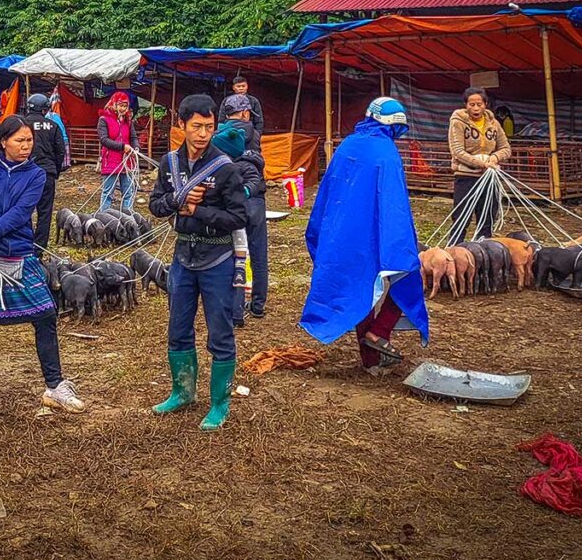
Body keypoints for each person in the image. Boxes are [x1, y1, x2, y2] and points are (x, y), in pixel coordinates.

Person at [0, 115, 85, 418]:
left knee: (46, 314)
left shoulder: (36, 175)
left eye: (29, 141)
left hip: (19, 252)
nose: (26, 146)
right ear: (3, 142)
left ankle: (54, 386)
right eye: (19, 141)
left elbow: (20, 212)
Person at [299, 97, 429, 376]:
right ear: (394, 128)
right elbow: (394, 205)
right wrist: (398, 241)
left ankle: (370, 361)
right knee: (407, 275)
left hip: (341, 235)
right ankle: (379, 332)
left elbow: (328, 192)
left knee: (360, 288)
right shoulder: (387, 153)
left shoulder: (347, 146)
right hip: (375, 234)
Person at [149, 94, 247, 431]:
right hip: (183, 256)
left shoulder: (225, 168)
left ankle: (220, 403)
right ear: (181, 125)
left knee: (220, 333)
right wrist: (178, 200)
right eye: (196, 126)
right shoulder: (169, 165)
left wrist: (198, 211)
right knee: (178, 328)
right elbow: (156, 205)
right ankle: (183, 392)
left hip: (217, 256)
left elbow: (238, 217)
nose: (203, 133)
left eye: (209, 127)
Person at [210, 121, 267, 329]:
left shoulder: (228, 163)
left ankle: (236, 310)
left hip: (239, 210)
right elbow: (257, 180)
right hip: (257, 206)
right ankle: (258, 304)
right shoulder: (253, 152)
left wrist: (240, 194)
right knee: (259, 255)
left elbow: (246, 183)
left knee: (238, 257)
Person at [448, 87, 511, 244]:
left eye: (479, 104)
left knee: (487, 216)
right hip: (466, 176)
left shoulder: (494, 123)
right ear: (466, 105)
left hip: (489, 178)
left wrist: (494, 158)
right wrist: (480, 163)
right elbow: (457, 150)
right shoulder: (458, 122)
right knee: (462, 216)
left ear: (485, 104)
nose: (475, 108)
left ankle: (483, 253)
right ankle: (455, 251)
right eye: (471, 104)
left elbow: (506, 148)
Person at [21, 93, 67, 252]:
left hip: (23, 172)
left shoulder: (21, 125)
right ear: (45, 108)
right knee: (45, 211)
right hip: (46, 172)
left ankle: (23, 243)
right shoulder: (52, 126)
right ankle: (39, 248)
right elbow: (60, 151)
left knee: (22, 209)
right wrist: (55, 170)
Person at [97, 91, 139, 213]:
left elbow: (133, 137)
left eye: (125, 106)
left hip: (127, 161)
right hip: (111, 160)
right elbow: (104, 140)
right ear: (114, 104)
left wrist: (135, 147)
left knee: (128, 191)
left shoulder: (128, 121)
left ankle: (128, 217)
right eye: (121, 105)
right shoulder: (104, 119)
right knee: (108, 192)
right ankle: (105, 216)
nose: (123, 109)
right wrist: (122, 146)